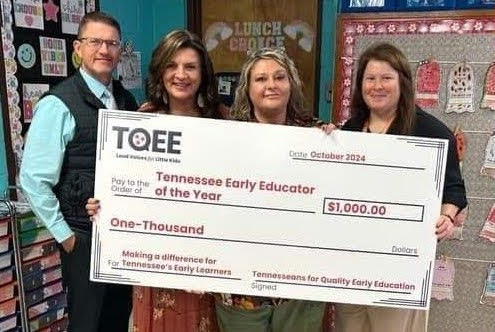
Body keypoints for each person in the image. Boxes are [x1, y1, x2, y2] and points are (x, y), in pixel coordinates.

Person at [87, 29, 224, 332]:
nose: (181, 75)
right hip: (155, 261)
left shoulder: (222, 122)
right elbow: (128, 187)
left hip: (205, 262)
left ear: (203, 73)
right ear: (160, 72)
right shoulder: (142, 119)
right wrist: (106, 207)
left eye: (190, 66)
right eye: (172, 66)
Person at [332, 42, 467, 332]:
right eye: (370, 78)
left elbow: (454, 188)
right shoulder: (351, 130)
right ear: (360, 85)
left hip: (398, 267)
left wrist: (447, 216)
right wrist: (325, 144)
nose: (377, 86)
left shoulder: (431, 132)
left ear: (402, 82)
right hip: (351, 262)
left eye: (386, 78)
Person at [19, 12, 138, 332]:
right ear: (78, 48)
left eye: (112, 43)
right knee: (88, 323)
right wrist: (67, 238)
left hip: (121, 235)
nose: (104, 50)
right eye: (95, 41)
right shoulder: (57, 104)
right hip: (83, 238)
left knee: (116, 317)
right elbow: (32, 180)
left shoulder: (125, 100)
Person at [216, 47, 329, 332]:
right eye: (261, 79)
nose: (271, 85)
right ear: (247, 87)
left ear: (291, 84)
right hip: (240, 281)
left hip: (299, 281)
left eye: (280, 77)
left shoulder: (317, 135)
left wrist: (337, 148)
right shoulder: (223, 138)